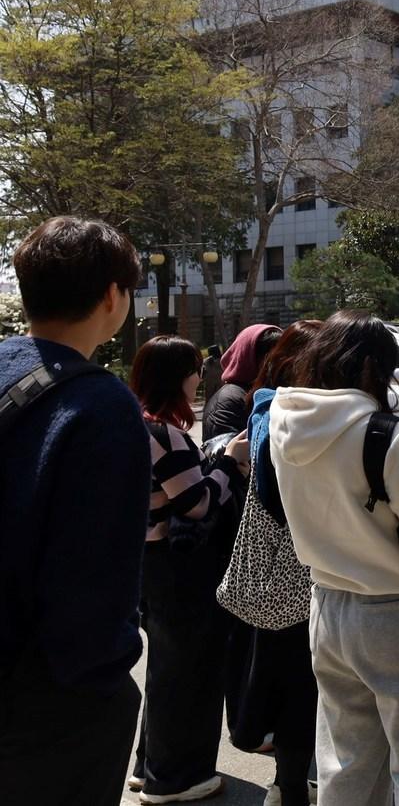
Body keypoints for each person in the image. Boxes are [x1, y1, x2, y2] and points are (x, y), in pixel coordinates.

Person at [270, 311, 399, 806]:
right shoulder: (382, 434)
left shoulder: (283, 419)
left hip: (328, 603)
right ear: (373, 368)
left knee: (346, 760)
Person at [0, 217, 150, 805]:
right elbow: (94, 574)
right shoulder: (97, 403)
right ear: (113, 295)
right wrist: (104, 681)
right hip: (44, 702)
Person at [130, 335, 250, 804]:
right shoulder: (165, 432)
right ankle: (176, 778)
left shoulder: (138, 425)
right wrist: (228, 463)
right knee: (190, 672)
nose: (202, 375)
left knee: (166, 668)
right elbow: (197, 504)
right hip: (178, 569)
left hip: (151, 564)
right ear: (178, 377)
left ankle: (151, 765)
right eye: (195, 368)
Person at [226, 320, 323, 806]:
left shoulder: (274, 404)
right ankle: (291, 782)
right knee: (298, 687)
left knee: (296, 685)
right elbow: (273, 487)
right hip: (294, 575)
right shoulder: (275, 407)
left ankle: (292, 780)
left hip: (287, 575)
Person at [204, 323, 282, 438]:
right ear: (249, 357)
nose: (280, 364)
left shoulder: (271, 392)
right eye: (273, 358)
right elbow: (228, 452)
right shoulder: (228, 401)